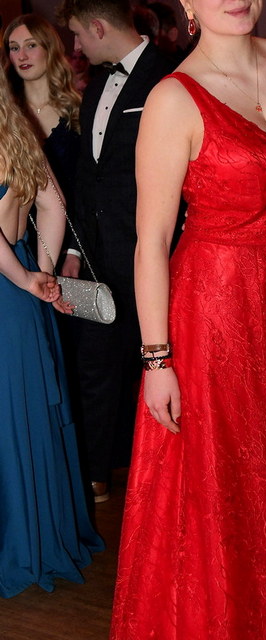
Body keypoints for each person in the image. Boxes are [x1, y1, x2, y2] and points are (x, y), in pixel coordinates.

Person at [109, 0, 266, 638]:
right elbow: (150, 242)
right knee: (230, 492)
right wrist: (157, 360)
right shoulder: (173, 98)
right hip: (215, 316)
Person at [56, 0, 176, 503]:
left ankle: (164, 479)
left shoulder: (170, 75)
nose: (76, 46)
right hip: (98, 258)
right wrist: (73, 249)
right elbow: (88, 178)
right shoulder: (97, 85)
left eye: (78, 34)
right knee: (96, 366)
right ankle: (96, 474)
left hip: (158, 254)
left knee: (161, 365)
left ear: (99, 27)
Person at [0, 65, 104, 598]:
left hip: (8, 289)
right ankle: (40, 536)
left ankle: (19, 543)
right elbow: (53, 204)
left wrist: (25, 279)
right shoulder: (15, 129)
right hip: (20, 294)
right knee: (23, 417)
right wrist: (38, 274)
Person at [3, 13, 82, 213]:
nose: (22, 56)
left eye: (31, 45)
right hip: (22, 226)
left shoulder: (78, 109)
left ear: (49, 48)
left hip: (76, 223)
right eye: (14, 48)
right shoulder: (6, 115)